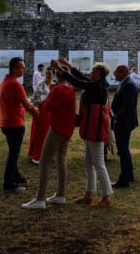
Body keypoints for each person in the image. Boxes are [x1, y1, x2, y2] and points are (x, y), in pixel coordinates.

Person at [56, 59, 114, 207]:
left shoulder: (98, 86)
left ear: (99, 73)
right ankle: (89, 194)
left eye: (93, 71)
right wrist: (70, 66)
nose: (90, 72)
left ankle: (107, 197)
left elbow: (80, 83)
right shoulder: (97, 84)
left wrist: (63, 71)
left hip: (94, 128)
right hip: (90, 127)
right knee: (89, 163)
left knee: (98, 163)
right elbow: (83, 79)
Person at [22, 67, 76, 209]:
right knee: (61, 161)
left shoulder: (57, 89)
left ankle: (40, 199)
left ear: (57, 75)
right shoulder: (70, 89)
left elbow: (47, 105)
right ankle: (60, 194)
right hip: (67, 129)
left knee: (44, 161)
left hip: (57, 128)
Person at [0, 57, 39, 192]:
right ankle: (8, 184)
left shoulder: (6, 80)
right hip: (14, 124)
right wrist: (36, 111)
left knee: (13, 152)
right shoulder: (15, 84)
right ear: (15, 68)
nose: (24, 69)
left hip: (6, 122)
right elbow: (27, 105)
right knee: (13, 155)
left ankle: (17, 178)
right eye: (22, 67)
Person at [111, 65, 139, 188]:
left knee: (122, 150)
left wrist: (116, 116)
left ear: (122, 72)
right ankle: (129, 174)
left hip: (124, 121)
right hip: (123, 120)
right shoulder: (125, 82)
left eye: (116, 72)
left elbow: (128, 106)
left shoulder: (128, 84)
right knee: (124, 149)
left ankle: (124, 179)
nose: (114, 73)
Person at [27, 67, 54, 165]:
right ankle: (37, 155)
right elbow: (36, 97)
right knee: (39, 132)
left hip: (50, 112)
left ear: (53, 75)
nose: (48, 75)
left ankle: (48, 154)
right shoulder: (41, 84)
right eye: (47, 73)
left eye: (50, 73)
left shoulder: (54, 86)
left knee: (48, 133)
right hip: (41, 111)